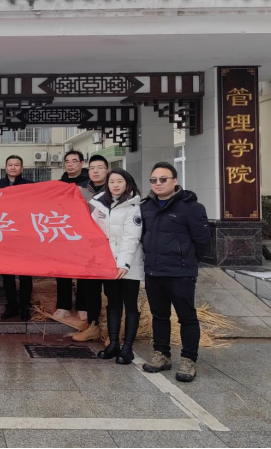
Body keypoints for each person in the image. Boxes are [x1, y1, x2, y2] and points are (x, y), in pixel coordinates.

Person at [141, 162, 210, 383]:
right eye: (154, 180)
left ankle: (188, 359)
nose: (158, 183)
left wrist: (186, 262)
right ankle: (162, 354)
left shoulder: (191, 207)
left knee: (186, 317)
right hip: (154, 272)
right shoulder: (146, 207)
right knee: (159, 316)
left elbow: (202, 242)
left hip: (180, 273)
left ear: (175, 181)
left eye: (163, 179)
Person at [88, 169, 144, 364]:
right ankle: (113, 344)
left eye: (120, 181)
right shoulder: (100, 204)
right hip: (108, 263)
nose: (115, 185)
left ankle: (127, 348)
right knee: (113, 303)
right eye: (112, 182)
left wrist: (124, 264)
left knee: (130, 304)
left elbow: (131, 238)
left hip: (128, 265)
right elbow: (93, 231)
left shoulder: (133, 206)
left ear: (127, 183)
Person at [0, 155, 35, 322]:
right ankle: (11, 305)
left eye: (17, 165)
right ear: (5, 167)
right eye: (10, 165)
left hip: (24, 234)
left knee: (25, 273)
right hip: (4, 234)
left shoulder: (30, 186)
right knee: (7, 273)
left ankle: (25, 306)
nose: (13, 167)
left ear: (22, 168)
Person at [72, 155, 110, 341]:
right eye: (92, 168)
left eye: (100, 167)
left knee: (112, 292)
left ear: (107, 170)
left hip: (110, 250)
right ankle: (93, 325)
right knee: (91, 289)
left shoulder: (114, 191)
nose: (95, 171)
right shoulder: (80, 192)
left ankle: (111, 331)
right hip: (88, 250)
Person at [54, 150, 89, 324]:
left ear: (82, 163)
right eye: (67, 161)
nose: (70, 164)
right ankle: (63, 306)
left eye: (74, 161)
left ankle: (83, 306)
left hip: (84, 231)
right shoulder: (59, 184)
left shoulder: (90, 183)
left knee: (84, 270)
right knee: (63, 269)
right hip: (63, 230)